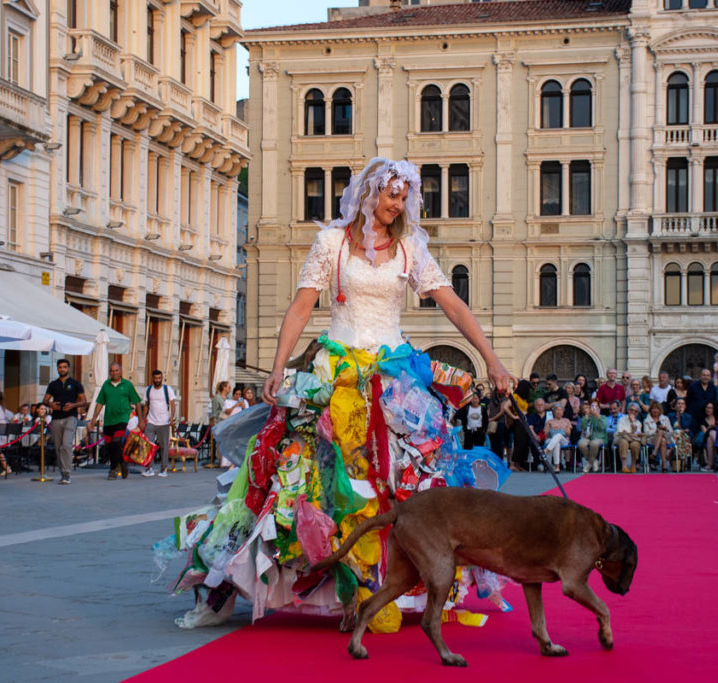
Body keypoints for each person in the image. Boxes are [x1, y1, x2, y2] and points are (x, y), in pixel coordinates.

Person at [169, 157, 516, 629]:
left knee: (397, 479)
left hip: (393, 379)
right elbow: (300, 306)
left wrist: (491, 359)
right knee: (295, 475)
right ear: (370, 192)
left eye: (403, 196)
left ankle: (387, 587)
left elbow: (452, 305)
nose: (398, 204)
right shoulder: (331, 242)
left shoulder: (411, 248)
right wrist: (277, 368)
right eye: (391, 195)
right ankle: (229, 587)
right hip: (337, 370)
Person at [88, 362, 142, 480]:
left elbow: (137, 401)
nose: (114, 373)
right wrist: (93, 419)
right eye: (112, 371)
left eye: (116, 370)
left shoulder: (127, 385)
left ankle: (112, 470)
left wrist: (141, 420)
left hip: (122, 418)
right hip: (109, 420)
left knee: (117, 442)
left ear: (121, 371)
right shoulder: (106, 385)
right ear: (109, 372)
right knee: (110, 445)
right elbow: (100, 403)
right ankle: (122, 462)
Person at [43, 359, 87, 485]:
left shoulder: (75, 383)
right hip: (56, 417)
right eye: (60, 367)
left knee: (66, 445)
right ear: (57, 369)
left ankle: (67, 473)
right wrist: (51, 404)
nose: (62, 369)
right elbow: (45, 400)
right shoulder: (53, 384)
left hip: (70, 417)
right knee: (58, 447)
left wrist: (73, 405)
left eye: (64, 367)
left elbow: (84, 400)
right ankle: (62, 472)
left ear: (68, 368)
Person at [140, 369, 178, 477]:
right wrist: (143, 419)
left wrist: (171, 417)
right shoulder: (148, 390)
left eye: (159, 378)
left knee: (164, 446)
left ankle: (163, 469)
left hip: (164, 422)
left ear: (162, 378)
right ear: (152, 378)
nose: (157, 380)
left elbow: (172, 404)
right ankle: (149, 468)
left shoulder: (167, 389)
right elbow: (146, 404)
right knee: (148, 445)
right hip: (151, 421)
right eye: (155, 378)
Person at [576, 401, 606, 472]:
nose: (593, 408)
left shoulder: (603, 417)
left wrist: (597, 416)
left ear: (598, 408)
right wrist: (586, 417)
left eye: (595, 407)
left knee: (594, 443)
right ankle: (593, 461)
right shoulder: (585, 417)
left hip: (600, 437)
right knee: (581, 443)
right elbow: (582, 427)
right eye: (592, 407)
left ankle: (589, 464)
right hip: (588, 437)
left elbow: (603, 427)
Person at [542, 403, 572, 472]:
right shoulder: (549, 421)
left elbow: (568, 434)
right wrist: (549, 427)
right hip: (551, 440)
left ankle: (545, 451)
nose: (559, 412)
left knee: (558, 435)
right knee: (556, 444)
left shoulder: (566, 420)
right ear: (554, 411)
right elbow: (546, 435)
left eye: (560, 410)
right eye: (557, 410)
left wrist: (562, 428)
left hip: (563, 440)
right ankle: (557, 466)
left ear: (563, 411)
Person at [643, 402, 672, 472]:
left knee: (662, 436)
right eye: (653, 409)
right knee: (662, 439)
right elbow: (646, 433)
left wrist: (665, 429)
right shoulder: (646, 420)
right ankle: (664, 465)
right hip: (652, 439)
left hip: (666, 438)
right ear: (650, 410)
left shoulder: (665, 418)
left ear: (660, 410)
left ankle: (654, 453)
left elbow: (671, 431)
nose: (655, 410)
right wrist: (655, 431)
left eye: (657, 409)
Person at [614, 403, 644, 472]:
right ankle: (624, 466)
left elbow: (637, 433)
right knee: (624, 442)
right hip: (621, 438)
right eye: (631, 410)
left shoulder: (638, 423)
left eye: (635, 411)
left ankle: (633, 465)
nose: (633, 412)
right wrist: (630, 434)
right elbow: (620, 432)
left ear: (637, 413)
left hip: (633, 440)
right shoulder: (621, 419)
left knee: (635, 444)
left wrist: (633, 423)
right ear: (628, 410)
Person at [668, 398, 693, 470]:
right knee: (678, 433)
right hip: (672, 437)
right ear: (675, 406)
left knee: (681, 435)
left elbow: (686, 427)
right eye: (678, 403)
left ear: (685, 406)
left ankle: (678, 457)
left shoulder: (688, 416)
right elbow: (670, 428)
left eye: (682, 404)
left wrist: (681, 416)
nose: (680, 405)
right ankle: (682, 460)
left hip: (684, 437)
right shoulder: (670, 416)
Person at [694, 402, 718, 473]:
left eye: (710, 408)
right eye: (707, 408)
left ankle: (710, 464)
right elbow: (705, 432)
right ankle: (716, 444)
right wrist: (711, 427)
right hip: (707, 437)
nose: (708, 409)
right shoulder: (702, 420)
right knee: (710, 434)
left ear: (713, 409)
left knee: (710, 439)